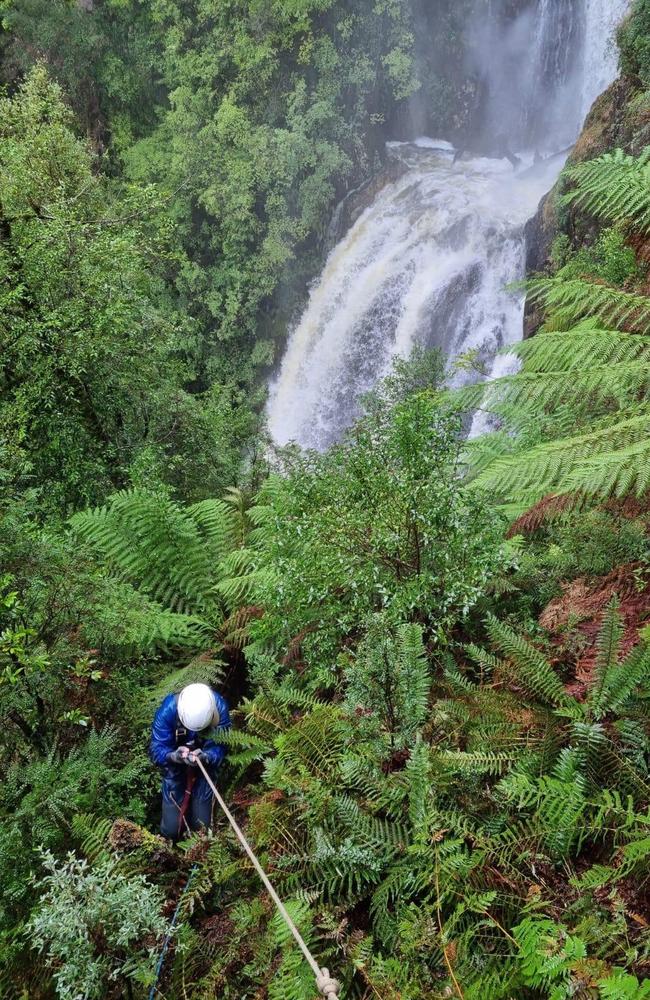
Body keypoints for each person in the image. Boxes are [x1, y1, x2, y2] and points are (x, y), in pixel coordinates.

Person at [150, 682, 230, 841]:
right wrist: (173, 756)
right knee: (171, 829)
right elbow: (157, 749)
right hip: (174, 767)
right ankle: (169, 848)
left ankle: (197, 854)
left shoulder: (219, 708)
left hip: (206, 767)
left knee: (202, 825)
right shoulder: (168, 711)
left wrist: (207, 757)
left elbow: (220, 747)